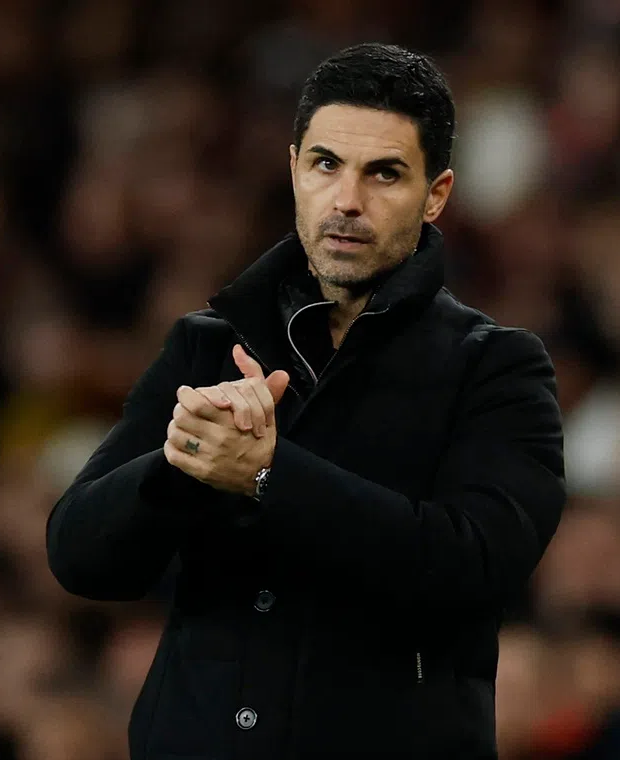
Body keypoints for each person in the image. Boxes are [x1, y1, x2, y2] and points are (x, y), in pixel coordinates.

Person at [46, 42, 566, 760]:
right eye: (327, 165)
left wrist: (267, 474)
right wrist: (180, 464)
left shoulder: (496, 369)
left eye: (384, 174)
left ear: (436, 194)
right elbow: (79, 556)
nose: (348, 201)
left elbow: (475, 567)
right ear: (295, 168)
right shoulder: (207, 345)